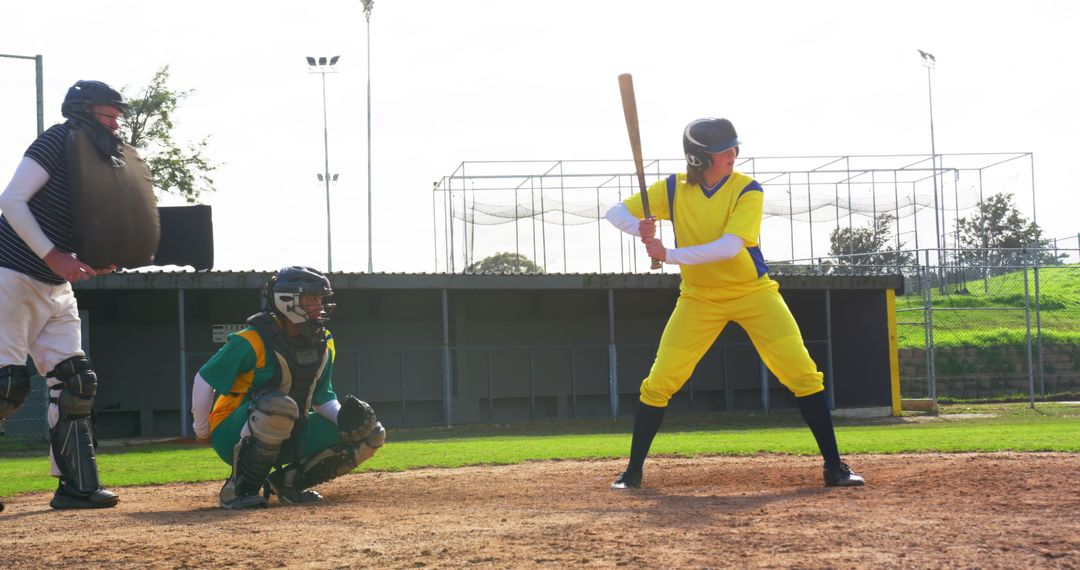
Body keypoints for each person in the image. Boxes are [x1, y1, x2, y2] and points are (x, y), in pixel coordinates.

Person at [604, 117, 864, 490]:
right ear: (698, 158)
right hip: (699, 298)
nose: (733, 155)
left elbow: (729, 247)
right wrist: (639, 228)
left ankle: (834, 467)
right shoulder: (674, 188)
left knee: (802, 373)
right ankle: (632, 472)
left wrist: (668, 253)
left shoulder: (747, 189)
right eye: (723, 151)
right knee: (660, 381)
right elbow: (615, 213)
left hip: (752, 292)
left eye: (733, 148)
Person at [0, 80, 133, 510]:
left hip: (56, 286)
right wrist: (54, 256)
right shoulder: (58, 139)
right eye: (108, 115)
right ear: (81, 111)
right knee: (5, 386)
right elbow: (12, 201)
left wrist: (98, 257)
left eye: (117, 117)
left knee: (75, 382)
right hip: (11, 273)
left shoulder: (104, 160)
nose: (115, 123)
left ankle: (76, 486)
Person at [191, 266, 386, 509]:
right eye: (312, 299)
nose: (320, 306)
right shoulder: (252, 340)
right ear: (286, 301)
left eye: (320, 299)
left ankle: (288, 483)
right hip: (231, 433)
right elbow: (204, 378)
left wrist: (343, 420)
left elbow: (323, 398)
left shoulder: (324, 341)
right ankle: (238, 489)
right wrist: (201, 430)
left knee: (370, 431)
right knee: (277, 406)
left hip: (291, 429)